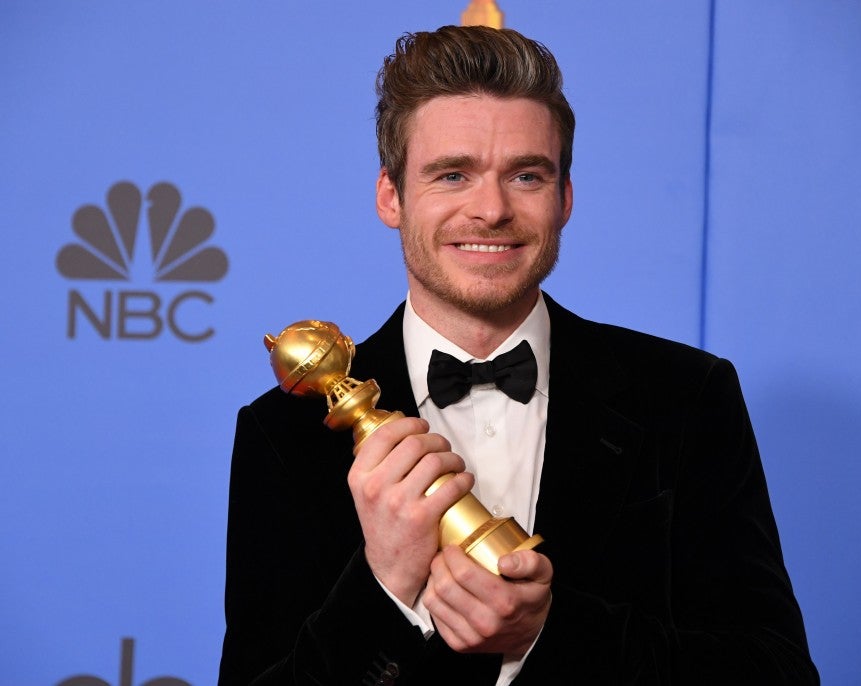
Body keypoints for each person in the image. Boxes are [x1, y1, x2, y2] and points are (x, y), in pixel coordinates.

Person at [218, 24, 818, 685]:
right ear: (392, 196)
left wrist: (547, 635)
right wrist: (384, 586)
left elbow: (777, 674)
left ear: (564, 198)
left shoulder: (686, 395)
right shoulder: (284, 432)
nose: (492, 210)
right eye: (453, 175)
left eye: (526, 175)